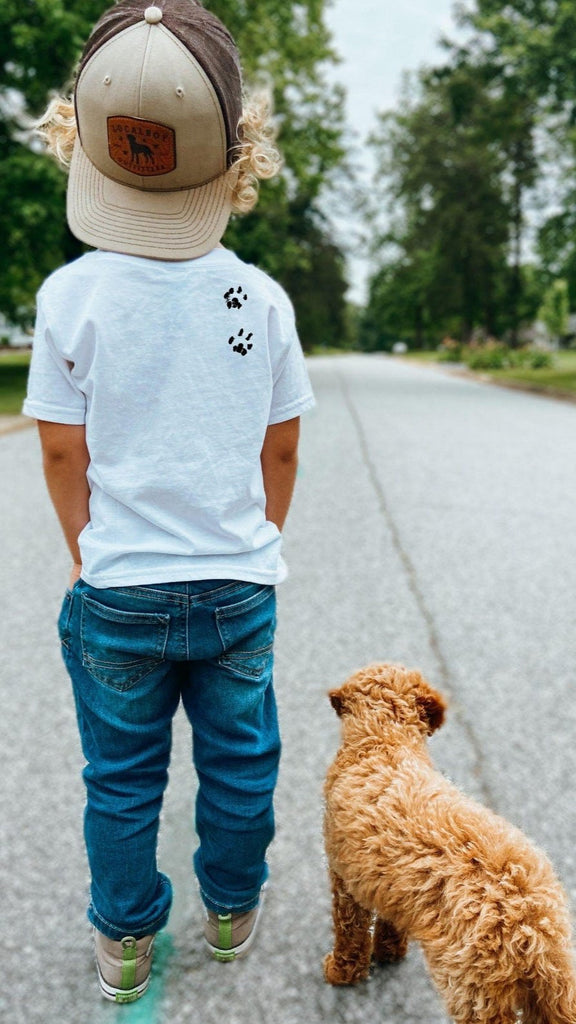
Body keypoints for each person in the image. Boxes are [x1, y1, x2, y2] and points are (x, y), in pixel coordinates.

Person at [23, 0, 314, 1004]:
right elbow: (282, 445)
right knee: (241, 765)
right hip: (237, 586)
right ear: (237, 161)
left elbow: (63, 449)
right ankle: (233, 907)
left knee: (121, 779)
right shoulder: (262, 301)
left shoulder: (70, 298)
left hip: (119, 590)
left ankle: (124, 941)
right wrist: (256, 537)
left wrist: (84, 545)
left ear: (83, 143)